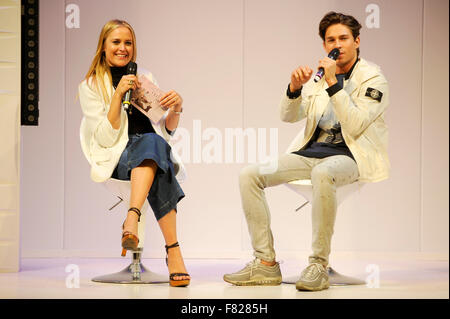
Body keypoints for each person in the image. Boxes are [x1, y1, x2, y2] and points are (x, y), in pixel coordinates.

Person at [223, 11, 390, 291]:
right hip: (311, 154)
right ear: (324, 45)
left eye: (343, 38)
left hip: (351, 157)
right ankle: (265, 264)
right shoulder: (320, 77)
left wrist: (334, 83)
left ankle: (318, 265)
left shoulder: (373, 78)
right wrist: (294, 88)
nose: (337, 44)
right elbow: (288, 116)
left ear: (357, 41)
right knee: (249, 174)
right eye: (330, 39)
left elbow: (357, 123)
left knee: (324, 172)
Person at [79, 19, 190, 287]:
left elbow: (166, 130)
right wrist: (117, 95)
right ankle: (173, 250)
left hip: (150, 148)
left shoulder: (144, 78)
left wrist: (176, 108)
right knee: (156, 152)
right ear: (103, 47)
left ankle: (132, 217)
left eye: (128, 42)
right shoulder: (90, 86)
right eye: (116, 42)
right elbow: (106, 137)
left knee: (155, 144)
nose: (122, 48)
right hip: (117, 157)